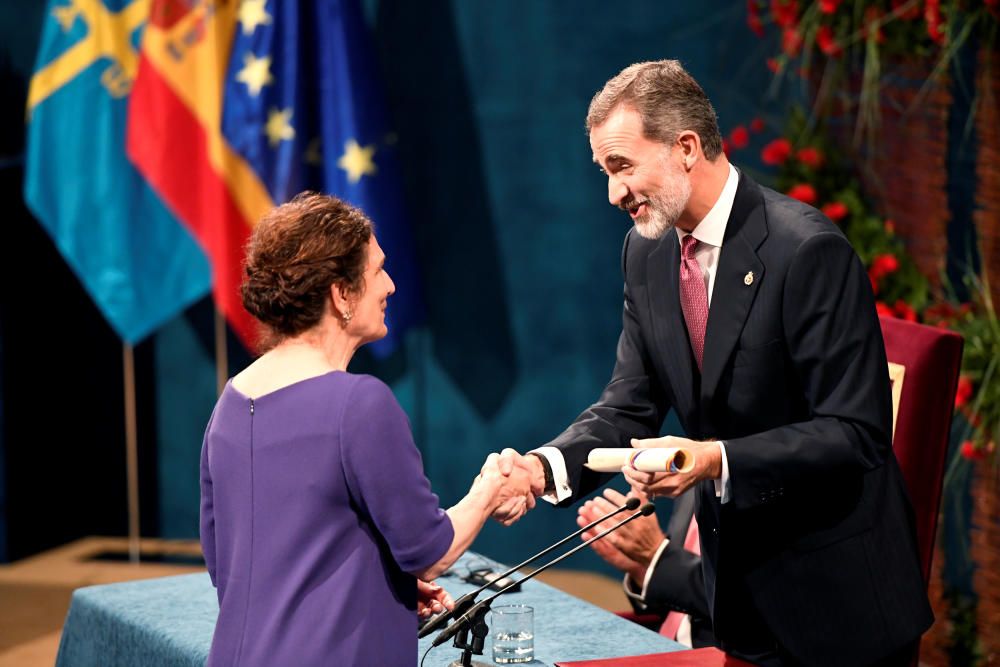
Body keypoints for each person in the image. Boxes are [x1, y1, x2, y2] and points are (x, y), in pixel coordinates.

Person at [494, 60, 931, 666]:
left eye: (620, 166)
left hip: (836, 610)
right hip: (736, 605)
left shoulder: (807, 251)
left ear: (686, 147)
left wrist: (715, 459)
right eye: (604, 172)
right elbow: (630, 401)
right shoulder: (646, 256)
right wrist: (542, 469)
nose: (613, 193)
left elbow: (855, 432)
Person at [199, 192, 530, 666]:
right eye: (378, 270)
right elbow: (428, 550)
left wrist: (378, 587)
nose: (391, 286)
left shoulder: (230, 402)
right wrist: (491, 488)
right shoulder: (359, 404)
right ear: (341, 293)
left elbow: (230, 564)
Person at [578, 488, 713, 648]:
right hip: (661, 646)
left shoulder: (744, 480)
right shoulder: (692, 484)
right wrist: (646, 571)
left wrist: (659, 557)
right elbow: (680, 602)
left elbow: (743, 606)